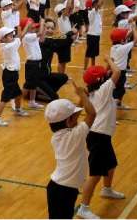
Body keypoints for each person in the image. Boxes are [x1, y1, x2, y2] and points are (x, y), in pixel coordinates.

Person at [77, 59, 124, 220]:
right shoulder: (104, 89)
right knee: (95, 174)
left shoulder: (94, 91)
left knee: (111, 164)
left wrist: (105, 68)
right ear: (101, 80)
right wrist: (108, 59)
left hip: (100, 135)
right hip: (99, 137)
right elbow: (117, 72)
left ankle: (107, 189)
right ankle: (83, 208)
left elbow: (105, 75)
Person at [45, 83, 96, 220]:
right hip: (65, 191)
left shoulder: (58, 135)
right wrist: (83, 95)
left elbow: (72, 119)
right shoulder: (75, 135)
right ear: (68, 120)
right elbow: (92, 114)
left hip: (58, 187)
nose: (76, 116)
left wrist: (81, 99)